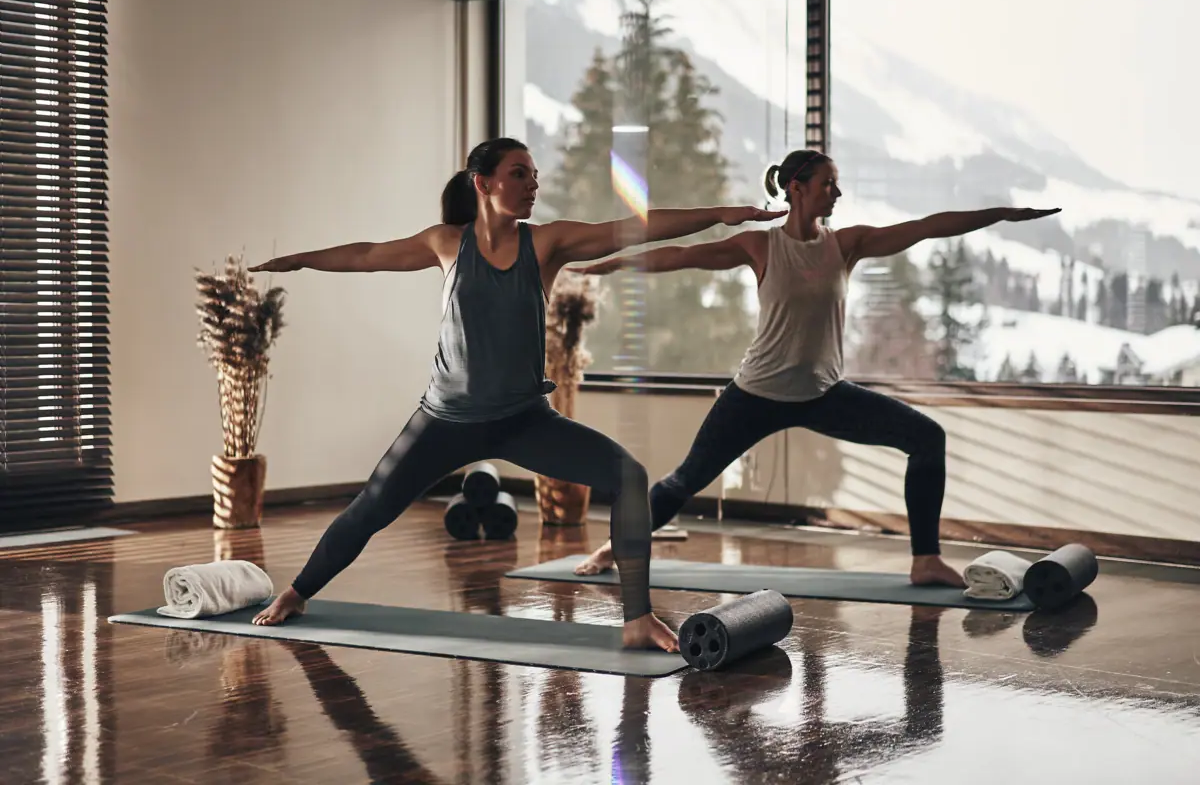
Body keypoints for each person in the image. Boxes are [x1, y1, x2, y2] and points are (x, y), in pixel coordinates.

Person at [244, 137, 785, 652]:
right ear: (482, 183)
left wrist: (719, 213)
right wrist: (299, 260)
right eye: (519, 174)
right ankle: (297, 593)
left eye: (535, 176)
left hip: (524, 420)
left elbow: (634, 228)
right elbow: (367, 254)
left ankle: (637, 618)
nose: (532, 185)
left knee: (629, 477)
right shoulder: (445, 242)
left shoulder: (546, 243)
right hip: (444, 420)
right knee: (371, 509)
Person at [570, 147, 1060, 588]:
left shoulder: (846, 245)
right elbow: (680, 256)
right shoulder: (760, 247)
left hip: (824, 394)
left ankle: (925, 559)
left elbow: (927, 226)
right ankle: (614, 547)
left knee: (927, 438)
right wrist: (609, 265)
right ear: (796, 188)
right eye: (829, 183)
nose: (838, 193)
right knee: (684, 482)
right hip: (755, 395)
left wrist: (1001, 215)